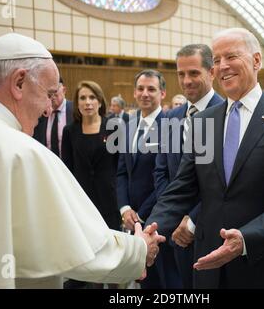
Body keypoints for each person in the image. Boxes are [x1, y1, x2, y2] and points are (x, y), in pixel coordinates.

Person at [0, 33, 165, 288]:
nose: (48, 109)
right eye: (48, 94)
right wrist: (139, 249)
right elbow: (76, 248)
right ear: (19, 82)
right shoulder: (20, 152)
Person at [146, 28, 264, 288]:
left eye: (231, 56)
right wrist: (150, 231)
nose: (222, 66)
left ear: (256, 61)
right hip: (207, 266)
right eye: (216, 60)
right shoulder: (204, 122)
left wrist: (246, 239)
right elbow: (183, 187)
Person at [154, 44, 223, 288]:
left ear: (211, 72)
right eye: (181, 74)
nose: (186, 80)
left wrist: (192, 219)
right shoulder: (171, 117)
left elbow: (225, 181)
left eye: (194, 73)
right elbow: (161, 172)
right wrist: (174, 216)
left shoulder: (228, 114)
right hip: (176, 232)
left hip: (213, 230)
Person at [117, 69, 180, 288]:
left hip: (158, 219)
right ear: (134, 93)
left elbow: (168, 178)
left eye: (151, 89)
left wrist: (141, 215)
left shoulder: (171, 127)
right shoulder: (128, 127)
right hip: (132, 218)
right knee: (144, 280)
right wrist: (125, 208)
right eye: (141, 89)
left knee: (167, 281)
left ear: (162, 93)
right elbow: (122, 172)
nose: (145, 93)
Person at [61, 81, 122, 288]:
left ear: (99, 101)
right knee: (89, 251)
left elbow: (119, 166)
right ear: (77, 103)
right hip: (83, 200)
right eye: (83, 98)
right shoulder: (70, 131)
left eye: (92, 97)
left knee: (113, 252)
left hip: (109, 198)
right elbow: (67, 168)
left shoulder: (113, 127)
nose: (88, 102)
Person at [33, 76, 73, 157]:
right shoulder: (40, 113)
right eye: (48, 92)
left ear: (64, 90)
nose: (52, 95)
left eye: (55, 90)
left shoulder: (75, 111)